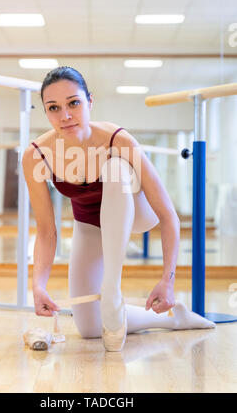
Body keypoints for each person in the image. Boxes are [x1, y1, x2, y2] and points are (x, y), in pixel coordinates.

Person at [22, 66, 215, 352]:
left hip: (137, 212)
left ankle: (112, 287)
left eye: (73, 103)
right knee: (89, 328)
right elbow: (47, 231)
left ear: (90, 102)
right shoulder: (36, 155)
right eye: (54, 108)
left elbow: (167, 215)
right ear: (47, 113)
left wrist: (167, 281)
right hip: (90, 223)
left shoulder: (117, 139)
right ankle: (175, 320)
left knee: (113, 166)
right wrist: (38, 286)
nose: (65, 115)